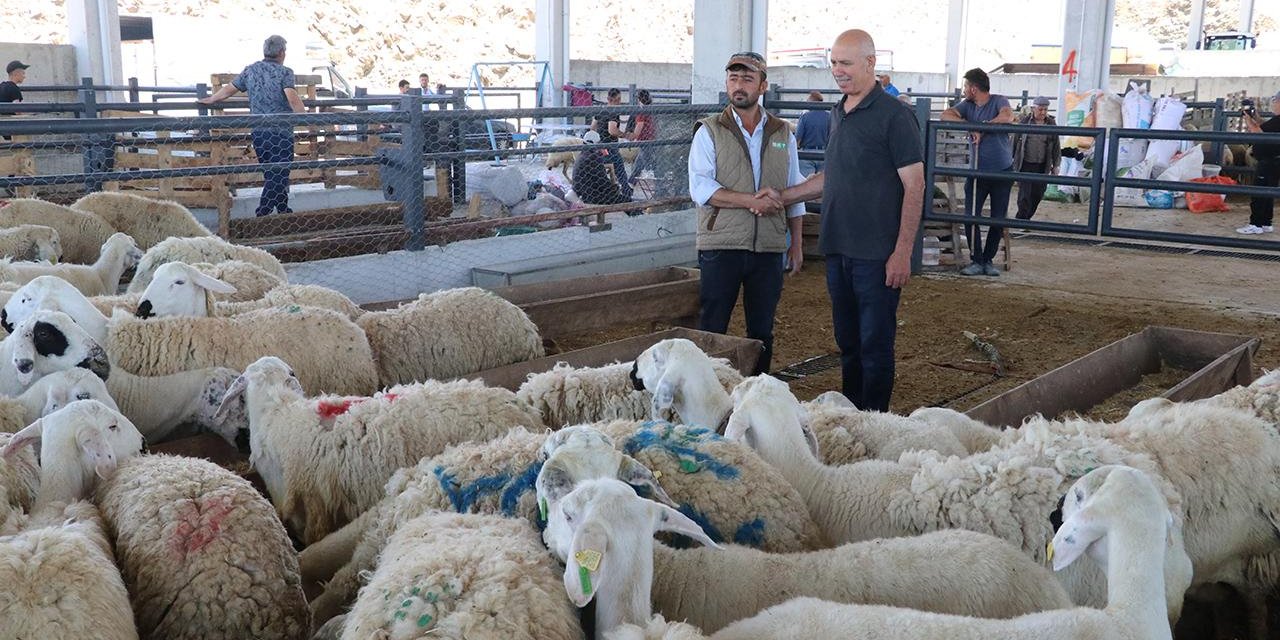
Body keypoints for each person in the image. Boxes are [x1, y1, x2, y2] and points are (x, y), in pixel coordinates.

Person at [764, 29, 924, 412]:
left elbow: (915, 185)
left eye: (846, 63)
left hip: (877, 253)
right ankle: (853, 416)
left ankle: (875, 421)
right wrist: (782, 197)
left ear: (870, 63)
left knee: (875, 345)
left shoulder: (895, 116)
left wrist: (902, 252)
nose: (838, 70)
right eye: (834, 62)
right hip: (838, 247)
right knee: (848, 342)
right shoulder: (838, 111)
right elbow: (831, 176)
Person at [687, 51, 806, 376]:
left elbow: (794, 187)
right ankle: (707, 391)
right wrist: (751, 201)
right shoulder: (709, 131)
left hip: (768, 246)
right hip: (721, 244)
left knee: (762, 330)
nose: (739, 85)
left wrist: (796, 243)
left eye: (747, 79)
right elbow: (701, 188)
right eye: (733, 78)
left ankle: (758, 390)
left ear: (763, 85)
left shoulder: (782, 133)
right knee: (713, 327)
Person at [198, 35, 305, 217]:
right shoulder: (285, 72)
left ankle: (283, 211)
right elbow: (292, 97)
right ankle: (262, 213)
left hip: (259, 132)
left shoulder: (251, 70)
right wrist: (306, 117)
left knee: (272, 174)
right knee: (279, 174)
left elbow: (229, 89)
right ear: (281, 52)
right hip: (281, 133)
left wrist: (212, 99)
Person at [941, 67, 1014, 276]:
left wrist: (983, 126)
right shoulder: (968, 106)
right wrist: (969, 125)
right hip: (976, 171)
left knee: (997, 217)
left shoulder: (998, 100)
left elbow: (1007, 116)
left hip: (1002, 170)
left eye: (965, 86)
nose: (964, 90)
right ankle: (977, 259)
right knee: (971, 215)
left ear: (973, 88)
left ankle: (988, 259)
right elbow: (946, 114)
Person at [1011, 96, 1060, 220]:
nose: (1043, 112)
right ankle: (1021, 219)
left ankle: (1026, 218)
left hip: (1043, 164)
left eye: (1045, 109)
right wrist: (1010, 160)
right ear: (1033, 109)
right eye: (1040, 109)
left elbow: (1056, 145)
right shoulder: (1024, 122)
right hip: (1025, 163)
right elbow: (1014, 142)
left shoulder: (1051, 123)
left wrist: (1056, 164)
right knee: (1024, 195)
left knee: (1038, 194)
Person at [1239, 90, 1280, 235]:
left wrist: (1248, 120)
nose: (1273, 104)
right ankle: (1266, 223)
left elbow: (1258, 132)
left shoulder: (1279, 120)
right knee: (1268, 192)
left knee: (1259, 192)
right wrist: (1255, 117)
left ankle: (1255, 224)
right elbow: (1266, 127)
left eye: (1275, 101)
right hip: (1275, 160)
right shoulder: (1276, 121)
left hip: (1268, 161)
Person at [591, 87, 631, 199]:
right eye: (618, 99)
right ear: (613, 99)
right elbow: (612, 130)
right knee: (620, 170)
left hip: (600, 146)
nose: (619, 102)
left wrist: (599, 139)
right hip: (610, 145)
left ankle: (617, 191)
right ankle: (626, 193)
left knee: (605, 169)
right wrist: (624, 135)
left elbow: (592, 127)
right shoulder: (613, 112)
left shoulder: (601, 109)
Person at [572, 130, 630, 206]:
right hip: (594, 197)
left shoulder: (583, 155)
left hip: (585, 194)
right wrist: (615, 188)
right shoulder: (593, 158)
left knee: (622, 198)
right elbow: (603, 182)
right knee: (628, 201)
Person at [623, 89, 658, 187]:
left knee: (650, 164)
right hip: (651, 138)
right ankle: (631, 183)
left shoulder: (641, 111)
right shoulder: (650, 108)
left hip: (645, 140)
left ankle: (657, 182)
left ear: (638, 99)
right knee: (639, 163)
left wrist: (630, 136)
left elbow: (639, 127)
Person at [794, 90, 831, 176]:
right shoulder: (830, 117)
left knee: (807, 181)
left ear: (812, 101)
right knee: (822, 181)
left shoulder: (805, 117)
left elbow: (798, 139)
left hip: (807, 154)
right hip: (824, 153)